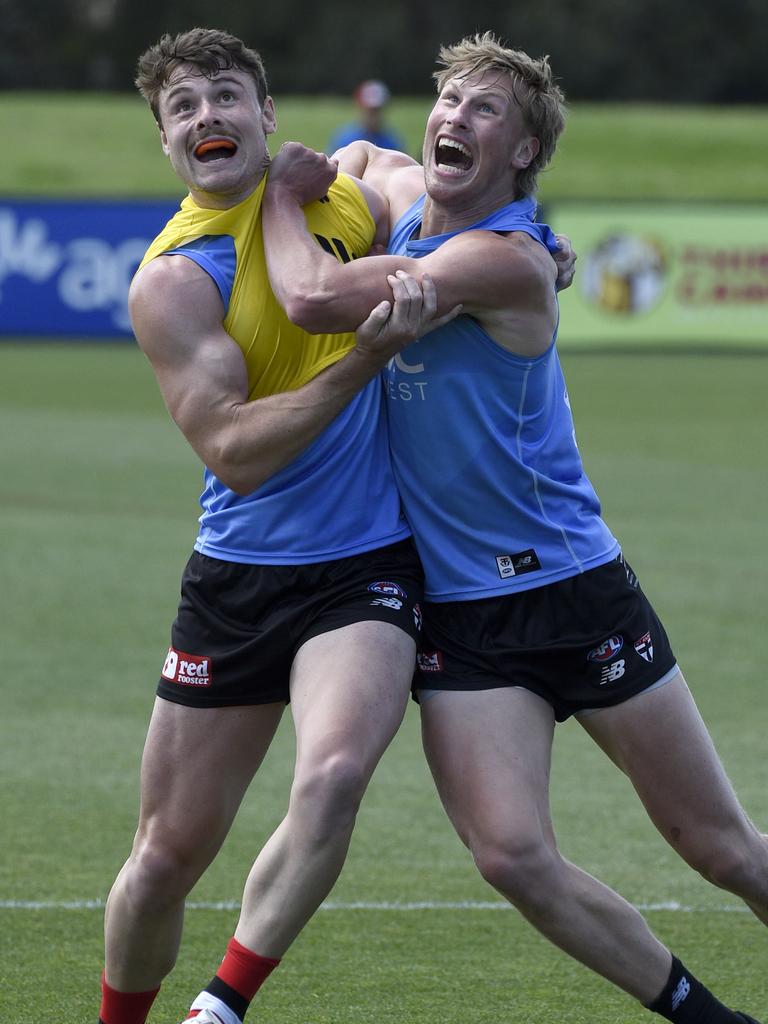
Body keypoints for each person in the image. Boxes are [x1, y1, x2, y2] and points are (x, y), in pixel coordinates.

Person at [261, 32, 767, 1024]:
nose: (455, 118)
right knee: (511, 856)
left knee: (722, 849)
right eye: (449, 100)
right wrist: (345, 163)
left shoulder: (505, 261)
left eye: (485, 111)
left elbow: (313, 297)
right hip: (463, 612)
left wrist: (282, 194)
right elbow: (366, 162)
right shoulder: (406, 198)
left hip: (575, 591)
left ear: (526, 153)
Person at [96, 26, 469, 1024]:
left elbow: (443, 202)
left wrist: (530, 241)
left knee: (338, 770)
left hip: (367, 568)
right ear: (167, 143)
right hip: (240, 577)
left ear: (266, 115)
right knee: (164, 858)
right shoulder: (174, 279)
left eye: (225, 95)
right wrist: (362, 360)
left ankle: (219, 1007)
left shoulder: (346, 182)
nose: (206, 115)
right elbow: (236, 452)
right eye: (182, 107)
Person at [327, 78, 405, 154]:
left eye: (377, 110)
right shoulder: (345, 139)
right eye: (370, 110)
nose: (373, 115)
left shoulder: (392, 140)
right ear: (360, 107)